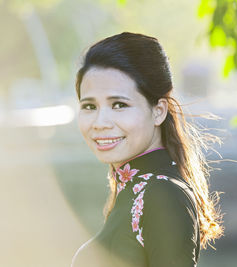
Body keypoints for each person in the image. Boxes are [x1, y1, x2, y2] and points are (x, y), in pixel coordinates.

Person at [70, 32, 223, 267]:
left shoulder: (161, 193)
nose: (100, 122)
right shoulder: (137, 189)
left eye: (119, 105)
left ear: (159, 110)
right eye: (89, 106)